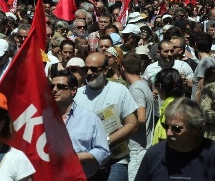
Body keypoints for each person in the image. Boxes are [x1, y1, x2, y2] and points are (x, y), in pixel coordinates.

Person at [135, 97, 215, 181]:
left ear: (195, 128)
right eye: (166, 126)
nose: (168, 133)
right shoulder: (154, 154)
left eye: (177, 128)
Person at [74, 52, 138, 181]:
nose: (89, 73)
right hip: (85, 163)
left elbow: (132, 125)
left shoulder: (120, 90)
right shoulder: (77, 95)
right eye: (86, 69)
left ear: (105, 70)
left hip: (115, 161)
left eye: (94, 69)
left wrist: (106, 141)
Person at [52, 70, 110, 178]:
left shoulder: (90, 118)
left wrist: (77, 157)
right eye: (52, 86)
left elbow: (103, 151)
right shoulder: (42, 118)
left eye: (60, 86)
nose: (54, 90)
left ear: (73, 90)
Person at [120, 53, 154, 181]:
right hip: (141, 147)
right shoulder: (143, 86)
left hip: (137, 149)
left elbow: (141, 118)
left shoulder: (136, 89)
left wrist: (122, 128)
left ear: (122, 68)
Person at [152, 68, 185, 144]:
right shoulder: (181, 103)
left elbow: (165, 135)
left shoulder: (169, 108)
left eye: (156, 86)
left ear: (160, 86)